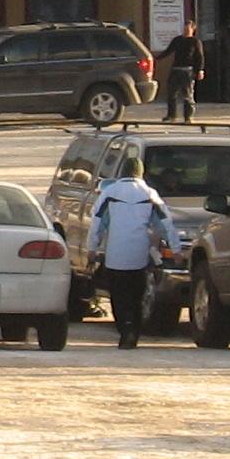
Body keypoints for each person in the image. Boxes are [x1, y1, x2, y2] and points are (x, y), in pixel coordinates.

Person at [86, 149, 185, 347]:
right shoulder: (149, 194)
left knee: (118, 297)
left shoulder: (110, 193)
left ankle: (124, 330)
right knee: (137, 297)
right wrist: (175, 249)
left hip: (115, 256)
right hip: (139, 256)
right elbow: (164, 223)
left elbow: (97, 223)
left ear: (122, 171)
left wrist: (92, 248)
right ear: (141, 173)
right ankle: (134, 332)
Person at [160, 17, 205, 123]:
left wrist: (200, 70)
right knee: (172, 93)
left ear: (192, 30)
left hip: (187, 71)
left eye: (188, 29)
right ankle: (171, 116)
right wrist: (156, 58)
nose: (185, 30)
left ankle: (188, 117)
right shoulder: (177, 40)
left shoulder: (195, 42)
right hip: (176, 69)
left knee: (188, 95)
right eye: (184, 28)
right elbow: (168, 51)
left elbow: (200, 57)